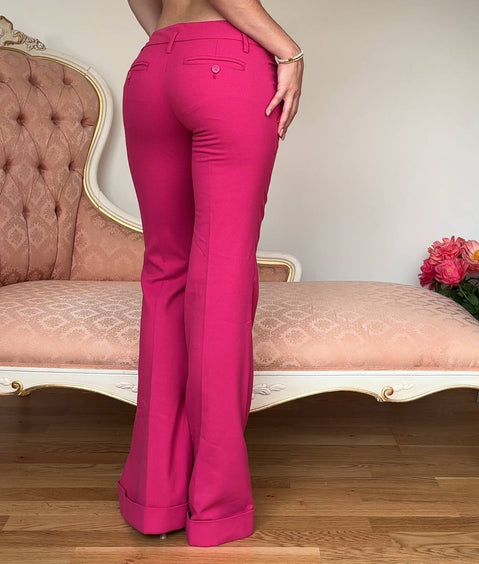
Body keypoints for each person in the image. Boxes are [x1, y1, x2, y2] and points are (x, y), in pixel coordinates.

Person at [116, 0, 304, 548]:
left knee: (165, 271)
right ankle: (215, 505)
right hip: (227, 65)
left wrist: (170, 39)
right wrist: (290, 52)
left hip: (152, 69)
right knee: (221, 276)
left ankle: (155, 497)